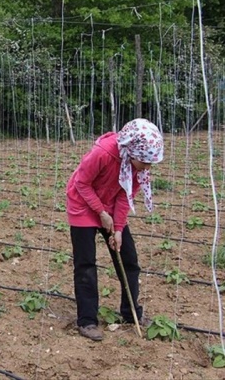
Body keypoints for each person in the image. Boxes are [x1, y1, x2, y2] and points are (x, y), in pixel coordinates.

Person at [66, 118, 164, 341]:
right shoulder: (102, 153)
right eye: (145, 162)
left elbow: (123, 196)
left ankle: (131, 313)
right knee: (86, 264)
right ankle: (87, 320)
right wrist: (100, 212)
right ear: (132, 150)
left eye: (151, 163)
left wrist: (118, 229)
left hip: (109, 204)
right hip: (82, 204)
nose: (148, 167)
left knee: (128, 259)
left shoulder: (140, 169)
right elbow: (82, 183)